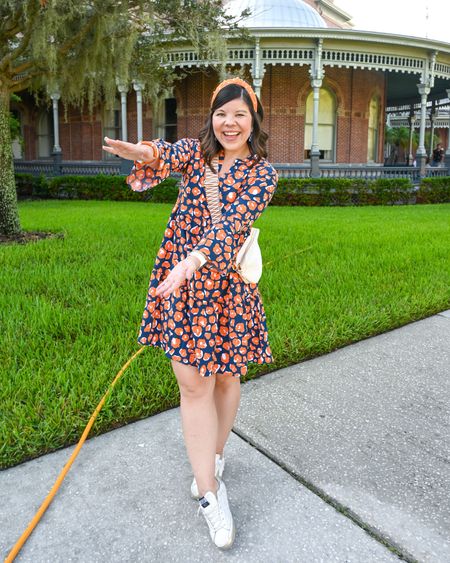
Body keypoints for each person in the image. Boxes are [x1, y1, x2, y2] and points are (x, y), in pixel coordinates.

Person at [102, 77, 277, 550]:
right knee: (193, 383)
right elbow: (167, 152)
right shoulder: (198, 155)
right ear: (212, 118)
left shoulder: (263, 174)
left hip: (224, 283)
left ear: (253, 120)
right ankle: (211, 495)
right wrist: (141, 153)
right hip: (179, 284)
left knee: (225, 376)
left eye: (240, 113)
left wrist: (195, 260)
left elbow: (235, 225)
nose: (230, 122)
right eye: (222, 113)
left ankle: (214, 456)